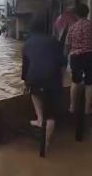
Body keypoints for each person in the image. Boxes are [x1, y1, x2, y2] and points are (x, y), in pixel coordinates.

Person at [21, 13, 66, 148]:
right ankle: (45, 144)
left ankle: (40, 119)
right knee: (51, 114)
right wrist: (60, 80)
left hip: (34, 78)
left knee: (34, 93)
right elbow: (63, 64)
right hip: (53, 78)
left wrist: (25, 83)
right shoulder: (54, 41)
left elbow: (25, 66)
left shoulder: (28, 43)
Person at [65, 3, 92, 114]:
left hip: (76, 56)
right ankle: (87, 109)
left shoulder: (72, 27)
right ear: (88, 13)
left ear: (76, 14)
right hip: (90, 56)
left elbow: (67, 45)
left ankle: (72, 107)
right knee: (89, 83)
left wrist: (64, 60)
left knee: (75, 82)